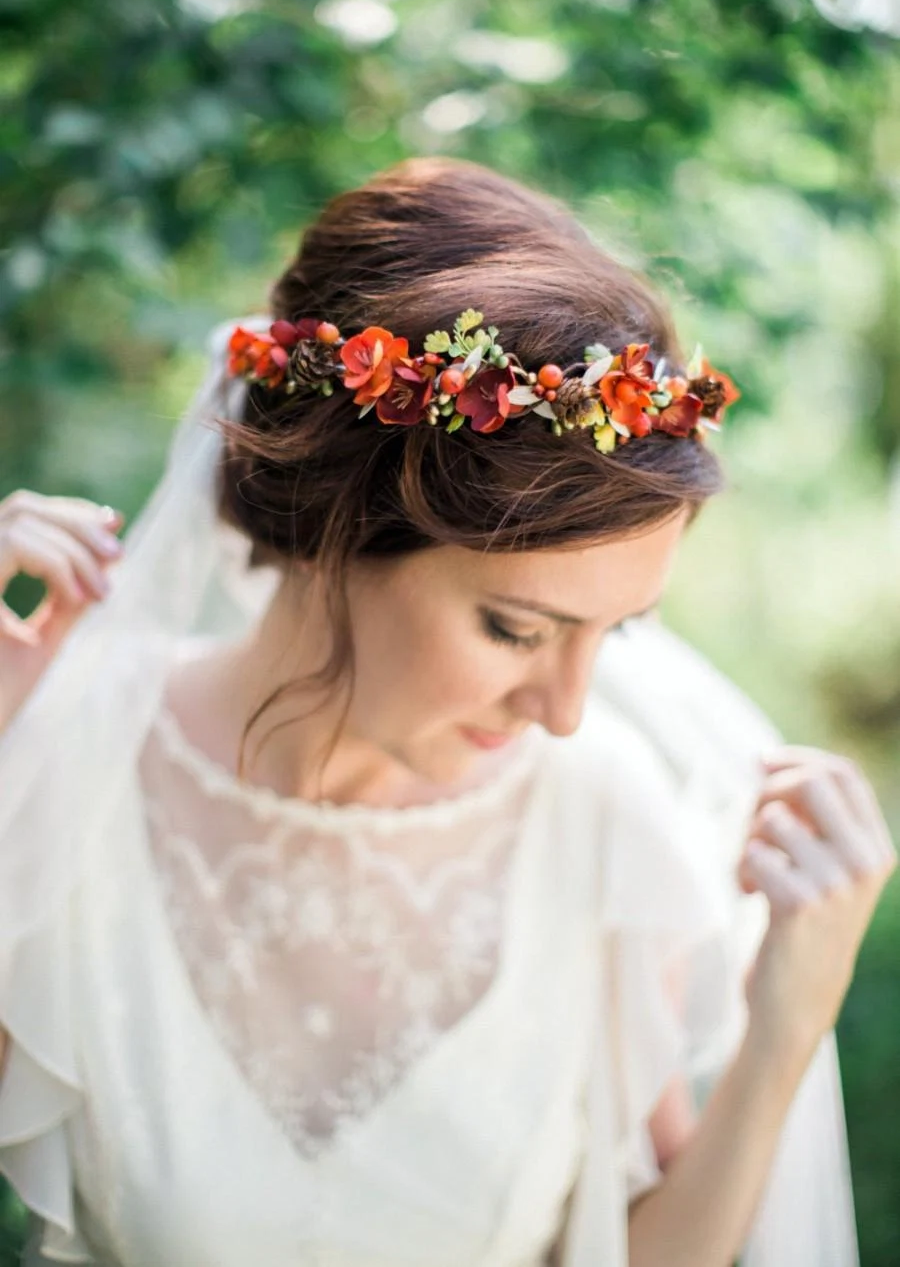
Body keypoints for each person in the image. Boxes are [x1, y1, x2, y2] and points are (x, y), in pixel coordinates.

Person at [0, 155, 894, 1267]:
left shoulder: (599, 817)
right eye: (517, 631)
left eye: (611, 635)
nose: (566, 711)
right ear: (335, 532)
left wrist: (784, 1034)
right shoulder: (67, 768)